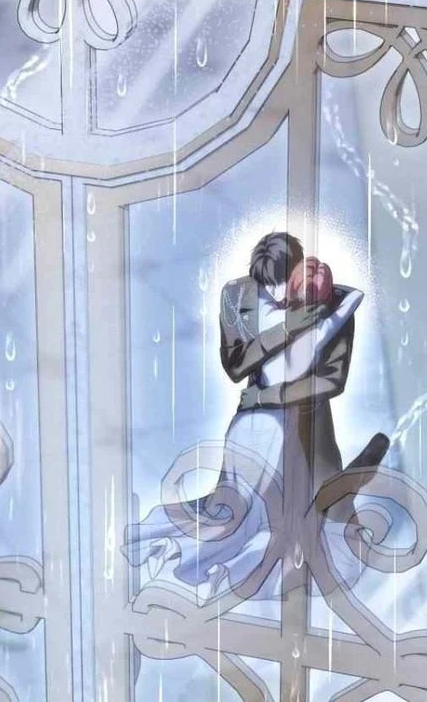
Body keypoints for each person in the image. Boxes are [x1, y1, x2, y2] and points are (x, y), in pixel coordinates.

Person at [123, 230, 388, 600]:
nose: (279, 295)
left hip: (305, 426)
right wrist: (286, 329)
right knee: (234, 510)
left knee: (304, 516)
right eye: (269, 286)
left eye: (284, 282)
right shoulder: (237, 295)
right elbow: (235, 366)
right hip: (252, 423)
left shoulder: (335, 302)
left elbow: (332, 380)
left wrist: (268, 395)